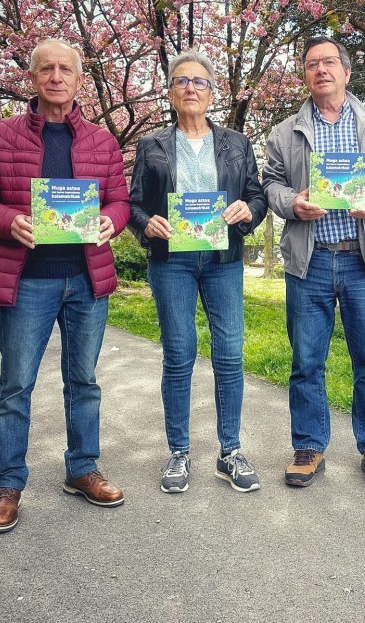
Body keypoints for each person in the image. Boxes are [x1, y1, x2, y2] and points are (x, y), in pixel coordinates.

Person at [0, 38, 130, 533]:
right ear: (31, 79)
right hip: (25, 283)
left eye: (66, 70)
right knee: (15, 386)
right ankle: (8, 483)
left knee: (84, 381)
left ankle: (82, 469)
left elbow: (118, 199)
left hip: (85, 281)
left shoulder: (102, 141)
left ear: (79, 80)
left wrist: (109, 222)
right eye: (46, 69)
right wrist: (8, 221)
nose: (56, 77)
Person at [263, 35, 365, 490]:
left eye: (330, 62)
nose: (321, 70)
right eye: (312, 64)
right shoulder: (284, 132)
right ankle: (309, 445)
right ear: (304, 75)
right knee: (306, 360)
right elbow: (270, 184)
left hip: (362, 262)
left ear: (346, 72)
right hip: (309, 263)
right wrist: (293, 203)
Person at [129, 50, 268, 493]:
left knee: (229, 354)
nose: (191, 88)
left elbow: (257, 195)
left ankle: (230, 451)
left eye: (200, 82)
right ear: (170, 92)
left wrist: (249, 209)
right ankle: (179, 452)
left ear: (212, 94)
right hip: (172, 262)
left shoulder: (237, 143)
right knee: (179, 354)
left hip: (223, 261)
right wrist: (144, 224)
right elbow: (133, 204)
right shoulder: (151, 145)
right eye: (181, 81)